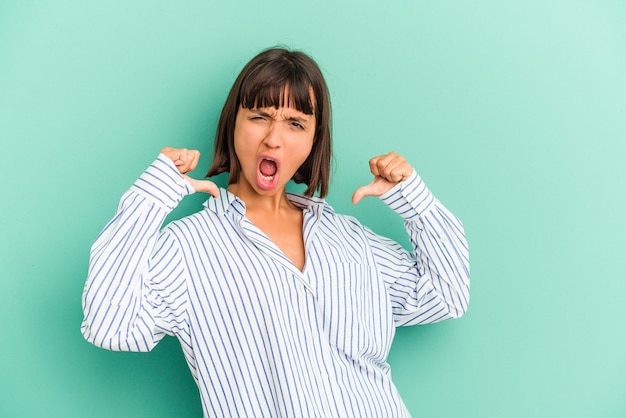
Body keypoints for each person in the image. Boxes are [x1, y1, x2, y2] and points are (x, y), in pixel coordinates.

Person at [81, 47, 470, 417]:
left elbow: (446, 295)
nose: (274, 138)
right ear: (233, 123)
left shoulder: (352, 241)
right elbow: (109, 325)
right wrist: (152, 197)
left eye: (296, 123)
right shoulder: (186, 249)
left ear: (314, 140)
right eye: (259, 116)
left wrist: (412, 198)